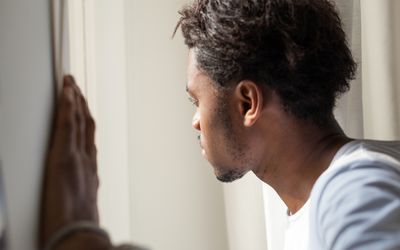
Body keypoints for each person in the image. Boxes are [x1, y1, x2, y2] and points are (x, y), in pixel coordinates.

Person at [40, 0, 400, 250]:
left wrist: (81, 240)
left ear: (247, 103)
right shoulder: (332, 197)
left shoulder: (355, 192)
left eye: (197, 100)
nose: (196, 121)